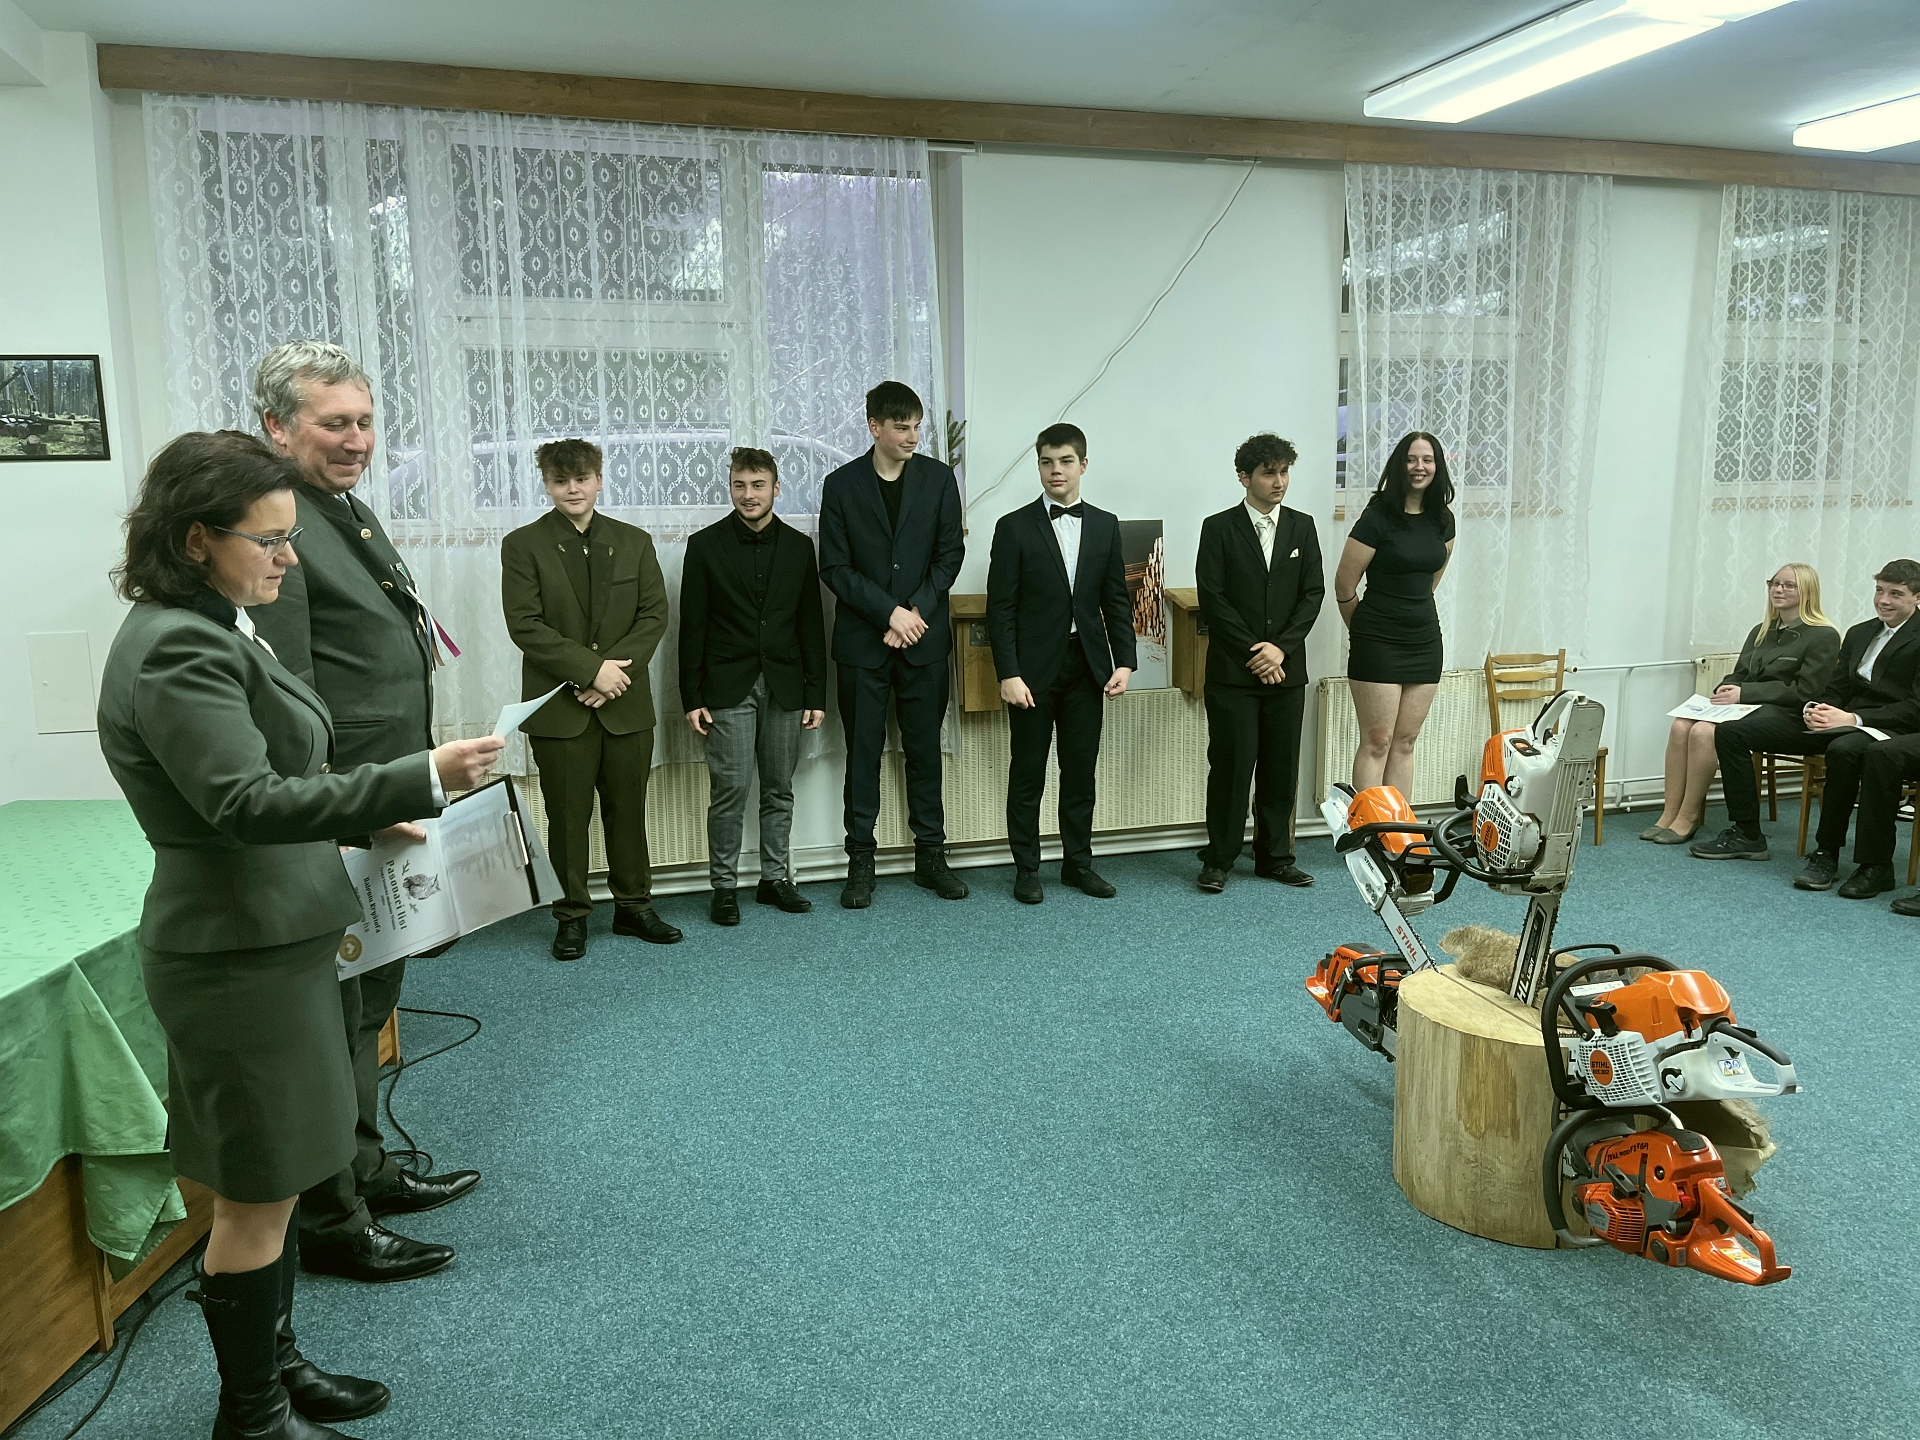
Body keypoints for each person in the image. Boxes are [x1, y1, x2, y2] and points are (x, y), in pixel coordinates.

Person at [98, 430, 503, 1440]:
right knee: (256, 1195)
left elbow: (275, 777)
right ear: (197, 539)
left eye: (291, 537)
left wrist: (366, 819)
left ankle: (274, 1370)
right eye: (269, 540)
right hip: (236, 954)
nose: (288, 557)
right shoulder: (179, 647)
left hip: (274, 934)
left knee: (274, 1187)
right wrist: (417, 776)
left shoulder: (216, 622)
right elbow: (241, 802)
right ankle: (252, 1415)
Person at [248, 341, 478, 1285]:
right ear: (277, 427)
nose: (356, 440)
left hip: (387, 800)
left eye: (366, 421)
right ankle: (335, 1220)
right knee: (337, 1017)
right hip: (348, 811)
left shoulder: (343, 507)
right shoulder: (279, 527)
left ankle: (368, 1169)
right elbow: (291, 698)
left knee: (373, 1002)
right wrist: (360, 807)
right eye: (333, 423)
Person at [501, 438, 677, 958]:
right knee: (567, 818)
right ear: (547, 485)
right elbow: (525, 625)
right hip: (560, 707)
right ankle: (571, 915)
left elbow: (654, 616)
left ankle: (634, 907)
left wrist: (611, 676)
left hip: (625, 703)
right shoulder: (522, 545)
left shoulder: (635, 541)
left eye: (581, 479)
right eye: (560, 481)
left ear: (599, 480)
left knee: (628, 813)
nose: (572, 489)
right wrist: (590, 671)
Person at [818, 380, 967, 908]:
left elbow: (950, 556)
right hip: (864, 643)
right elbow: (834, 567)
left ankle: (931, 857)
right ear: (874, 426)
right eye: (901, 427)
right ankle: (861, 861)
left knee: (924, 752)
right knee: (863, 754)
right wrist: (889, 613)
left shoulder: (939, 479)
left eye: (917, 427)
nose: (912, 436)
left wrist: (915, 613)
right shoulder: (840, 485)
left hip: (923, 640)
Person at [1694, 559, 1920, 891]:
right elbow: (1836, 687)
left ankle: (1828, 853)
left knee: (1843, 750)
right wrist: (1816, 708)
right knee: (1732, 732)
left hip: (1889, 727)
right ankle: (1747, 833)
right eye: (1879, 591)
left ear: (1917, 597)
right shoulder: (1860, 633)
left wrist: (1854, 719)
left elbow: (1914, 707)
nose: (1883, 600)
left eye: (1895, 594)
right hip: (1842, 721)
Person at [985, 423, 1136, 904]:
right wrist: (1008, 673)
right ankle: (1027, 869)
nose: (1056, 470)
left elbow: (1116, 600)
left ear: (1083, 465)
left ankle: (1078, 865)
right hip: (1031, 673)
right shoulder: (1013, 526)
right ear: (1039, 466)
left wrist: (1125, 662)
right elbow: (1000, 608)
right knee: (1028, 773)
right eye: (1047, 462)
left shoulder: (1106, 524)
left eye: (1066, 461)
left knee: (1080, 773)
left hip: (1087, 667)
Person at [679, 447, 828, 926]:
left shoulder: (800, 547)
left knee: (779, 788)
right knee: (730, 788)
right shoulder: (704, 546)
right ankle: (723, 887)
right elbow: (692, 628)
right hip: (727, 686)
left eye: (758, 485)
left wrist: (816, 694)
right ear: (730, 488)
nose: (748, 494)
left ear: (776, 488)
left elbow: (811, 625)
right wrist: (692, 697)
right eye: (739, 485)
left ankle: (774, 879)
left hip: (786, 685)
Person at [1193, 433, 1326, 894]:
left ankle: (1275, 857)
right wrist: (1257, 653)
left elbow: (1313, 594)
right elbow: (1214, 599)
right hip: (1234, 673)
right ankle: (1219, 859)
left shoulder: (1302, 527)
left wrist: (1280, 649)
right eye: (1269, 473)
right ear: (1244, 477)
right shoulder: (1218, 528)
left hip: (1286, 671)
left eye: (1284, 472)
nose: (1279, 481)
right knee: (1231, 768)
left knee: (1280, 768)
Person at [1643, 563, 1841, 844]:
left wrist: (1744, 693)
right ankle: (1669, 813)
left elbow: (1805, 691)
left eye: (1788, 585)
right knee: (1680, 726)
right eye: (1774, 583)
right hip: (1746, 706)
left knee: (1703, 731)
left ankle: (1688, 816)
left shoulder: (1823, 635)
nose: (1778, 590)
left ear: (1807, 591)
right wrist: (1726, 687)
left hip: (1786, 714)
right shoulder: (1762, 630)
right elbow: (1741, 673)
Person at [1333, 431, 1455, 793]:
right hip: (1378, 642)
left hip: (1425, 642)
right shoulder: (1377, 518)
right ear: (1399, 465)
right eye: (1411, 459)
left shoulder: (1443, 520)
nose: (1419, 467)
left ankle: (1397, 826)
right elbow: (1344, 586)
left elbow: (1430, 582)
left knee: (1405, 743)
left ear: (1437, 466)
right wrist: (1364, 632)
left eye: (1427, 460)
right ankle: (1370, 825)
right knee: (1378, 742)